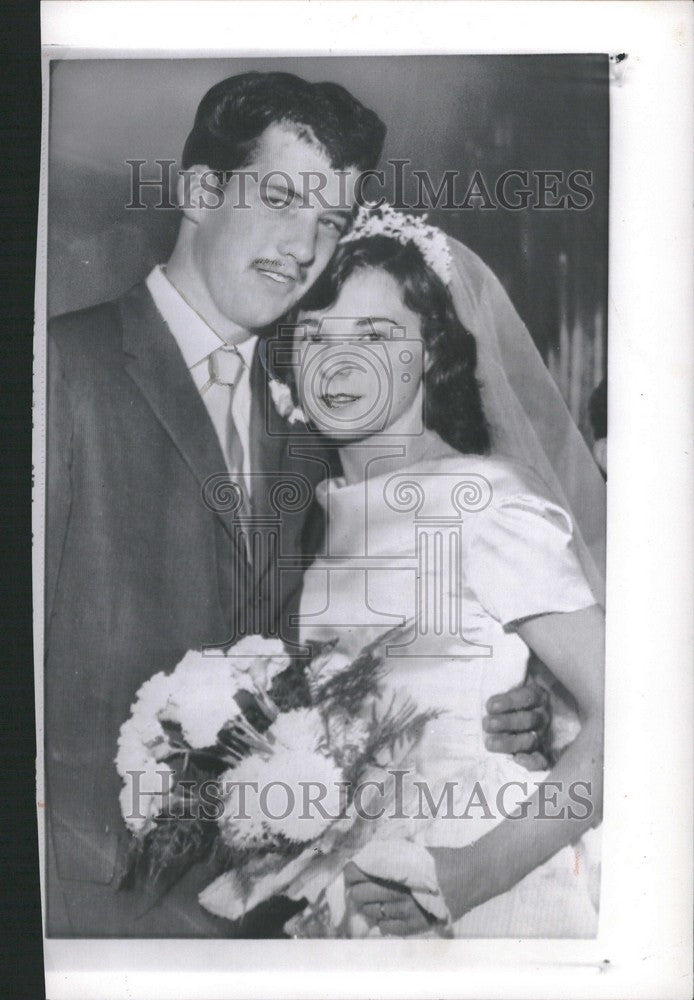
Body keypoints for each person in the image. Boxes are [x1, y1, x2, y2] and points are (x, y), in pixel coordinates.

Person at [45, 72, 550, 937]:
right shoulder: (59, 370)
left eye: (330, 221)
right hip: (85, 910)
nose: (301, 246)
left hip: (268, 910)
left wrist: (516, 684)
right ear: (199, 191)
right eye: (280, 198)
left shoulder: (314, 421)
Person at [285, 208, 605, 936]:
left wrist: (469, 876)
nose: (341, 364)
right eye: (314, 335)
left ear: (430, 350)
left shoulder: (484, 499)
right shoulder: (308, 511)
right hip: (342, 895)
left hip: (482, 887)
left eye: (374, 334)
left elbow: (634, 715)